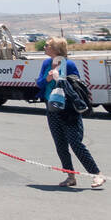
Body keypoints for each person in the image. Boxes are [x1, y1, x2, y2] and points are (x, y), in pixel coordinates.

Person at [36, 37, 103, 189]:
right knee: (60, 144)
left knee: (75, 143)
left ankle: (97, 174)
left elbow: (77, 84)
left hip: (68, 109)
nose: (44, 47)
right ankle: (70, 176)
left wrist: (60, 78)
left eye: (47, 45)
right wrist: (47, 78)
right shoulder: (46, 63)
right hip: (52, 107)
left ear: (56, 49)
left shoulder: (69, 64)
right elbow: (39, 83)